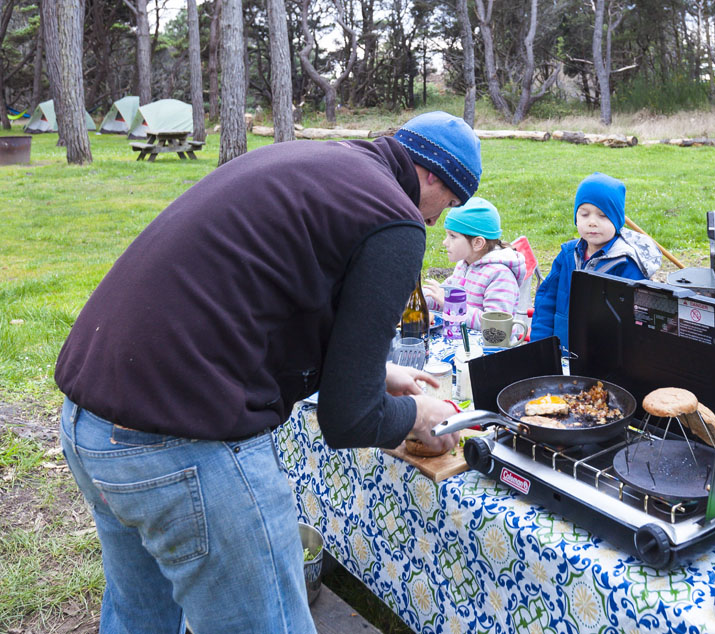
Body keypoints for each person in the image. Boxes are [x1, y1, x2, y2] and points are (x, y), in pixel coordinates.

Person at [54, 110, 481, 633]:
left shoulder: (320, 161)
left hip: (89, 421)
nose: (436, 220)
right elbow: (349, 418)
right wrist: (417, 414)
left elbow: (269, 299)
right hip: (182, 444)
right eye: (449, 202)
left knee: (140, 615)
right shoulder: (395, 217)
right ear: (432, 175)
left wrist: (382, 372)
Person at [531, 172, 660, 348]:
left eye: (603, 215)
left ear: (617, 220)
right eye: (584, 214)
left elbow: (636, 324)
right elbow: (546, 303)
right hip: (562, 351)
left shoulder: (626, 264)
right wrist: (540, 348)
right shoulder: (567, 255)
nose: (592, 222)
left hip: (604, 356)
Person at [422, 196, 526, 330]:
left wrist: (451, 305)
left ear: (478, 243)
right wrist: (414, 296)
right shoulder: (464, 265)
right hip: (461, 339)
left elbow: (495, 326)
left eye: (452, 236)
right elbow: (441, 297)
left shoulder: (500, 275)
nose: (445, 242)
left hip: (487, 343)